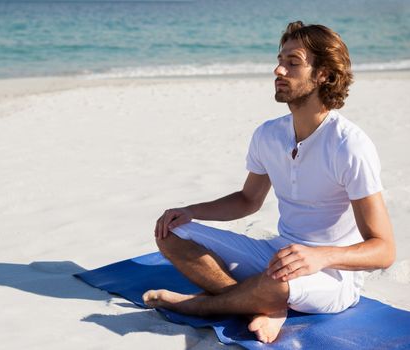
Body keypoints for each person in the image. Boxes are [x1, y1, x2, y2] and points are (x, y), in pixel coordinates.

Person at [142, 21, 395, 344]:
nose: (278, 70)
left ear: (324, 75)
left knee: (276, 284)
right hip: (278, 253)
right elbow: (248, 200)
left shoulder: (349, 146)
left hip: (331, 276)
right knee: (170, 232)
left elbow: (384, 249)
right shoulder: (268, 134)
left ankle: (204, 305)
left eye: (293, 63)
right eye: (280, 60)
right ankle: (259, 305)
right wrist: (190, 211)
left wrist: (321, 257)